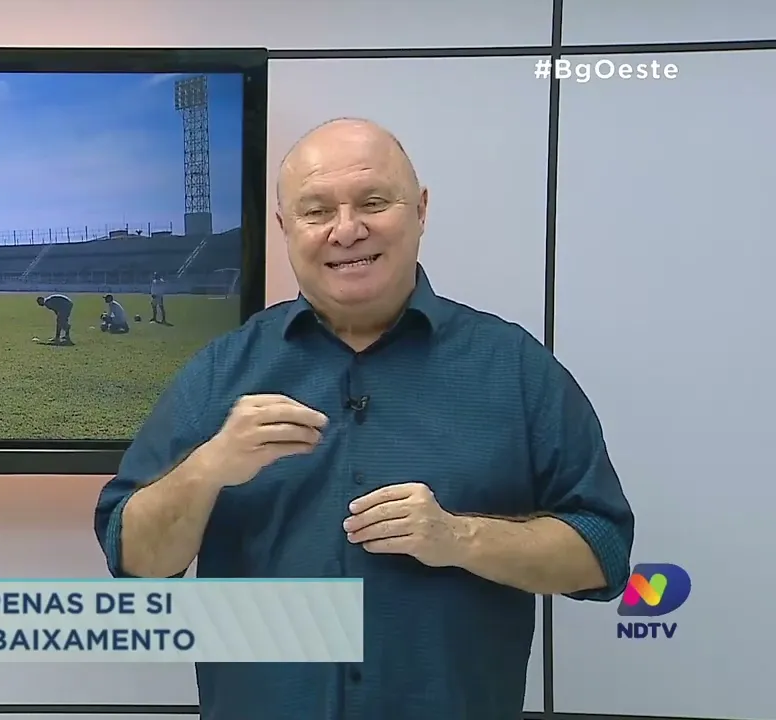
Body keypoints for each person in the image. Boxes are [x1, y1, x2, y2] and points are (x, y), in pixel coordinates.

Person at [93, 118, 635, 720]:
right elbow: (135, 561)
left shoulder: (513, 368)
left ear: (421, 210)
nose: (347, 230)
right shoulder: (221, 371)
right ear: (285, 228)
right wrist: (208, 469)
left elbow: (604, 553)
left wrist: (459, 538)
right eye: (317, 211)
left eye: (373, 202)